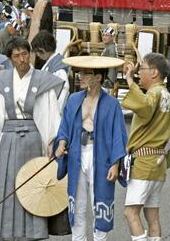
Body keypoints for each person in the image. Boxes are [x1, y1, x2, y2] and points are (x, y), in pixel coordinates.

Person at [0, 37, 64, 241]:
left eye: (25, 54)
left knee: (33, 182)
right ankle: (6, 231)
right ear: (10, 59)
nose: (22, 59)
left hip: (33, 137)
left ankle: (34, 231)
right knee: (7, 183)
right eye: (16, 56)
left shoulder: (42, 80)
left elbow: (49, 113)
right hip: (7, 137)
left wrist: (51, 142)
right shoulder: (1, 81)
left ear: (30, 54)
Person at [55, 55, 128, 241]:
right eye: (80, 72)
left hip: (101, 155)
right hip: (77, 153)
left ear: (98, 77)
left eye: (86, 73)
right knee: (77, 201)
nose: (81, 76)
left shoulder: (111, 104)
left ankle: (100, 239)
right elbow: (64, 127)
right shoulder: (74, 99)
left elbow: (118, 135)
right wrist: (62, 143)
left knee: (100, 199)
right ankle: (78, 238)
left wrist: (116, 163)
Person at [122, 53, 170, 241]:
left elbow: (143, 106)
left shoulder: (154, 93)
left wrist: (128, 79)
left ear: (154, 73)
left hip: (144, 161)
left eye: (141, 69)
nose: (138, 73)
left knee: (131, 212)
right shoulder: (166, 94)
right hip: (158, 162)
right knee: (152, 215)